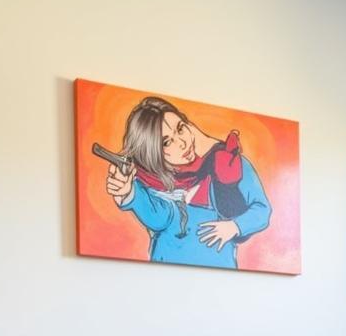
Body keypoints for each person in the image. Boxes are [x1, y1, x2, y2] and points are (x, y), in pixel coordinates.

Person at [104, 95, 271, 269]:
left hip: (222, 279)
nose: (182, 143)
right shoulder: (150, 182)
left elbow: (262, 210)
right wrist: (128, 193)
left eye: (181, 129)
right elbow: (157, 217)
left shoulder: (230, 162)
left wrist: (235, 226)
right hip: (164, 277)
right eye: (167, 142)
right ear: (150, 153)